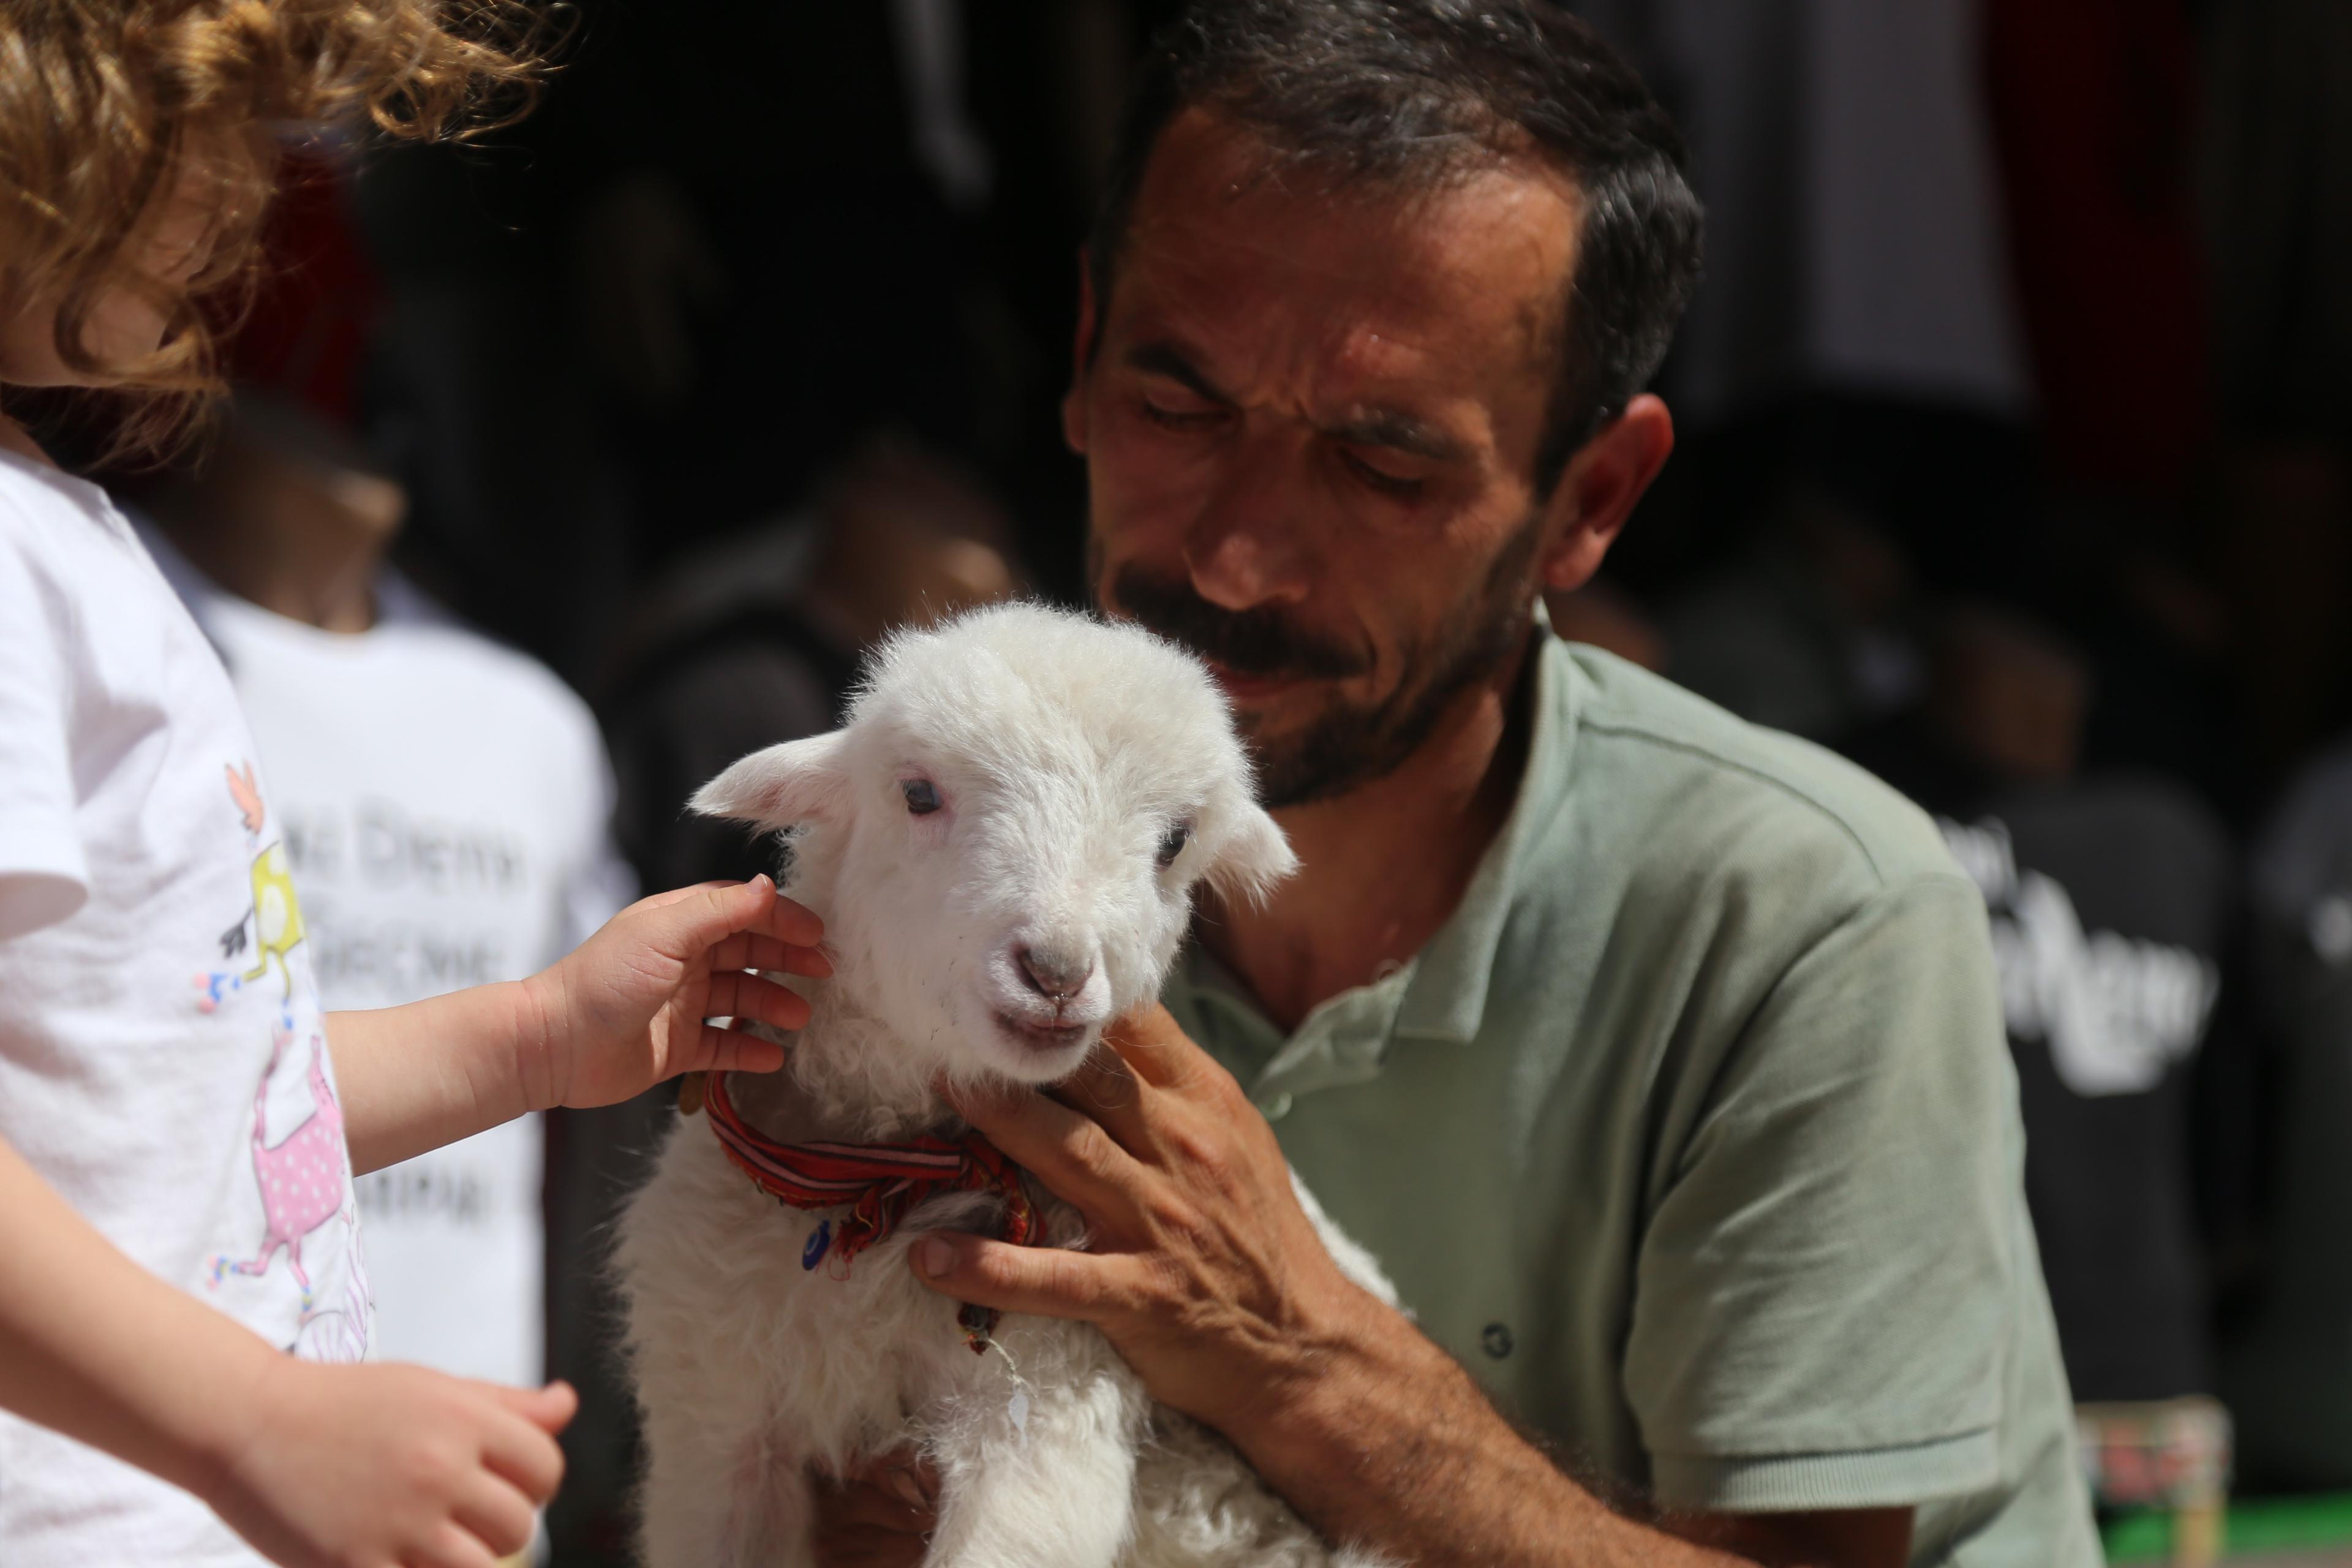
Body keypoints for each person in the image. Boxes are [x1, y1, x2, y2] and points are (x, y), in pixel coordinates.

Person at [823, 4, 2097, 1564]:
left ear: (1593, 499)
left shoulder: (1804, 922)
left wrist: (1297, 1349)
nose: (1236, 550)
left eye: (1384, 464)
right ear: (1082, 356)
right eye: (1179, 405)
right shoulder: (906, 857)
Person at [0, 7, 826, 1567]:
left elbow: (163, 1096)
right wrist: (254, 1414)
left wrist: (536, 1034)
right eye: (228, 126)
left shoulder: (56, 534)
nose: (260, 202)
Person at [138, 394, 636, 1396]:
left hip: (470, 1458)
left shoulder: (527, 722)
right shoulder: (114, 632)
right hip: (172, 1447)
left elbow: (600, 1129)